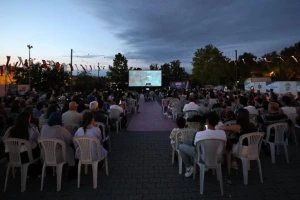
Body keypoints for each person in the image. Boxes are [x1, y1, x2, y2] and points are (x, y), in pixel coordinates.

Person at [178, 112, 226, 177]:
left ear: (207, 121)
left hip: (203, 159)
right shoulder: (223, 133)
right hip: (218, 158)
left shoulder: (200, 134)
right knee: (187, 143)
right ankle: (192, 166)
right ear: (217, 122)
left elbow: (195, 150)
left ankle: (189, 167)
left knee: (180, 146)